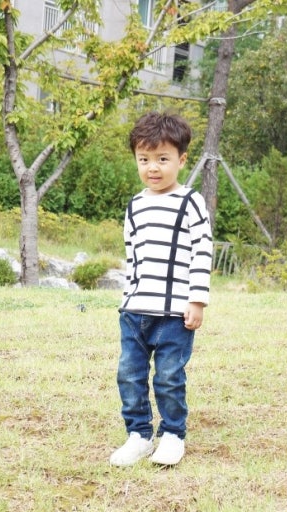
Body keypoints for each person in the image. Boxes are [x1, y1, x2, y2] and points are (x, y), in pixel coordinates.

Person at [109, 111, 213, 467]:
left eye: (162, 159)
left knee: (168, 376)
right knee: (130, 374)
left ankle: (172, 434)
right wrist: (127, 298)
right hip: (134, 310)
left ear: (181, 160)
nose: (153, 167)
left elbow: (202, 252)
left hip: (174, 314)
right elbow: (133, 256)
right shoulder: (135, 205)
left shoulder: (190, 202)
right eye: (144, 159)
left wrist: (197, 300)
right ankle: (138, 435)